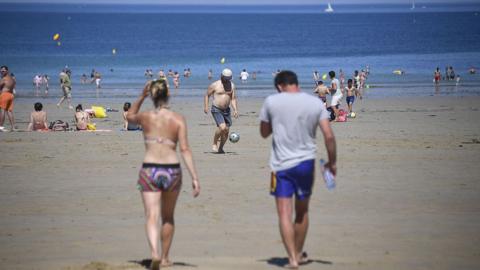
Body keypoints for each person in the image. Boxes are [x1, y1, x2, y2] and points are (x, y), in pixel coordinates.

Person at [259, 70, 337, 269]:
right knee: (302, 212)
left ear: (279, 86)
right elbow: (329, 136)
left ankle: (292, 258)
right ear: (296, 83)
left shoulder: (272, 102)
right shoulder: (315, 103)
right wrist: (332, 163)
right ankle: (299, 253)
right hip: (306, 164)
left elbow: (264, 133)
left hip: (280, 165)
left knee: (284, 214)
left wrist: (278, 122)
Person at [126, 80, 200, 270]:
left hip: (150, 169)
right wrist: (194, 177)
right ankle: (165, 258)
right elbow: (185, 149)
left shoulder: (146, 117)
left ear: (152, 96)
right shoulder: (177, 119)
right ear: (168, 94)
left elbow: (129, 116)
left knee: (151, 215)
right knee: (168, 217)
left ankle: (154, 254)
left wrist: (141, 96)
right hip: (171, 170)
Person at [204, 68, 238, 154]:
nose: (228, 80)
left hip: (226, 110)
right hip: (216, 108)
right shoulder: (214, 85)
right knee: (222, 127)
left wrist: (235, 109)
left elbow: (233, 99)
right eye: (226, 78)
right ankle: (214, 143)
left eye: (229, 79)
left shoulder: (232, 85)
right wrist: (206, 106)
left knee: (226, 131)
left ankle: (221, 148)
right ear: (222, 76)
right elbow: (207, 95)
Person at [0, 65, 16, 131]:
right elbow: (12, 86)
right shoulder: (12, 78)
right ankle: (13, 127)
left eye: (3, 71)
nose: (2, 72)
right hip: (11, 95)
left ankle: (0, 126)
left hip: (4, 95)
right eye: (1, 71)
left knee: (2, 110)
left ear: (7, 71)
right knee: (9, 111)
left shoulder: (4, 79)